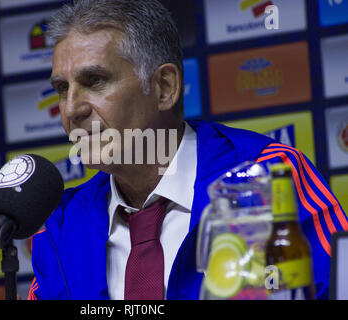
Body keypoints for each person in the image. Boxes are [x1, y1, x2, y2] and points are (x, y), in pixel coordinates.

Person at [28, 0, 347, 300]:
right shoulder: (60, 228)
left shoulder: (270, 177)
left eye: (95, 80)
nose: (70, 110)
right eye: (62, 89)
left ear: (164, 88)